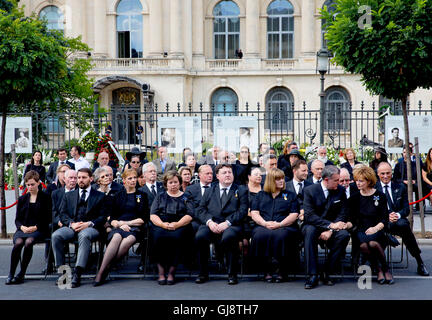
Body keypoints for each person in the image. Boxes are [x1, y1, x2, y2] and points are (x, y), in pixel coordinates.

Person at [51, 168, 107, 288]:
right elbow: (63, 214)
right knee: (56, 236)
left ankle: (78, 273)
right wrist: (72, 224)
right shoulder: (69, 195)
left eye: (83, 177)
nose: (80, 180)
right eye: (79, 177)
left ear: (91, 179)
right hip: (73, 227)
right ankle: (62, 274)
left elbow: (103, 217)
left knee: (84, 235)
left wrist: (89, 223)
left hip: (91, 228)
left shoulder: (100, 196)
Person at [93, 169, 148, 286]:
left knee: (127, 241)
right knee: (116, 237)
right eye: (130, 178)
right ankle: (102, 271)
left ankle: (106, 268)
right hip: (119, 227)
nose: (133, 180)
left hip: (135, 228)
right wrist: (120, 224)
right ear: (124, 181)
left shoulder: (141, 195)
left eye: (134, 178)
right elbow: (111, 218)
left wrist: (127, 223)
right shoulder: (118, 195)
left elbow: (143, 218)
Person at [195, 164, 248, 285]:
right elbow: (200, 210)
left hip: (232, 224)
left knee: (229, 237)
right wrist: (209, 222)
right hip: (212, 223)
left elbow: (243, 210)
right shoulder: (209, 190)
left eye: (230, 172)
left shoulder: (240, 190)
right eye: (224, 173)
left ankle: (231, 274)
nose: (228, 175)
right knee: (200, 236)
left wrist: (227, 223)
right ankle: (203, 273)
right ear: (217, 176)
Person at [376, 162, 429, 276]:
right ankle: (379, 264)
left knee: (404, 226)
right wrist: (386, 216)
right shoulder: (374, 188)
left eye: (388, 173)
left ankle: (419, 262)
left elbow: (406, 209)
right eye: (382, 173)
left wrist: (397, 215)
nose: (385, 176)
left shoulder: (400, 187)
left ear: (392, 173)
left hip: (398, 222)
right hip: (381, 222)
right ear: (378, 174)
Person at [302, 165, 351, 289]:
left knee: (344, 235)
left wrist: (331, 229)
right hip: (314, 225)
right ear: (326, 180)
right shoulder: (310, 191)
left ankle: (327, 271)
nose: (339, 183)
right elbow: (309, 216)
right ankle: (312, 274)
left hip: (333, 227)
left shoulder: (340, 190)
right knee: (309, 231)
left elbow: (343, 213)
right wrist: (329, 225)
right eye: (336, 180)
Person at [250, 168, 300, 282]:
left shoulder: (290, 195)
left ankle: (281, 269)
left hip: (285, 225)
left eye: (282, 178)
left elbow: (294, 214)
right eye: (278, 179)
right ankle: (266, 269)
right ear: (270, 181)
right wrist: (264, 223)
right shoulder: (260, 195)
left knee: (281, 235)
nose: (282, 181)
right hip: (264, 225)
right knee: (259, 235)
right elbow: (254, 213)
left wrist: (280, 224)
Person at [5, 171, 51, 285]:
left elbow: (48, 218)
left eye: (32, 184)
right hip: (23, 229)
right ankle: (11, 273)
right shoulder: (22, 199)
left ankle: (21, 273)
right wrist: (22, 227)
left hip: (39, 229)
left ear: (38, 183)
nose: (30, 187)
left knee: (29, 242)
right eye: (28, 185)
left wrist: (35, 227)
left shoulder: (45, 197)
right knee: (18, 242)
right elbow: (17, 219)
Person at [150, 170, 194, 285]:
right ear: (166, 184)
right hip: (162, 224)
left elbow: (190, 215)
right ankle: (161, 272)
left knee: (178, 237)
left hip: (180, 225)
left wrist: (177, 224)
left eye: (175, 182)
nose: (173, 185)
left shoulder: (186, 197)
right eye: (170, 182)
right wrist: (162, 224)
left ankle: (171, 272)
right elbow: (153, 214)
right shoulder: (160, 196)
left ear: (179, 183)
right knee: (157, 237)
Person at [351, 166, 393, 284]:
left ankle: (384, 268)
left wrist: (375, 228)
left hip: (378, 228)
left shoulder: (380, 196)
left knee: (373, 243)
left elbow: (384, 218)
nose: (357, 183)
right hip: (361, 230)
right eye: (356, 180)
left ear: (369, 181)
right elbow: (351, 218)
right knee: (364, 245)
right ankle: (379, 269)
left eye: (361, 181)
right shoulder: (354, 198)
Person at [184, 164, 214, 233]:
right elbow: (190, 208)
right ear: (200, 175)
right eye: (207, 173)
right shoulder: (190, 189)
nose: (210, 175)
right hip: (196, 220)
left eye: (211, 173)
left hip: (214, 220)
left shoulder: (217, 188)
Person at [285, 159, 312, 225]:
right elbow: (284, 202)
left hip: (307, 222)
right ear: (294, 171)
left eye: (307, 171)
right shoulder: (285, 186)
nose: (306, 173)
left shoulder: (312, 186)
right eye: (303, 171)